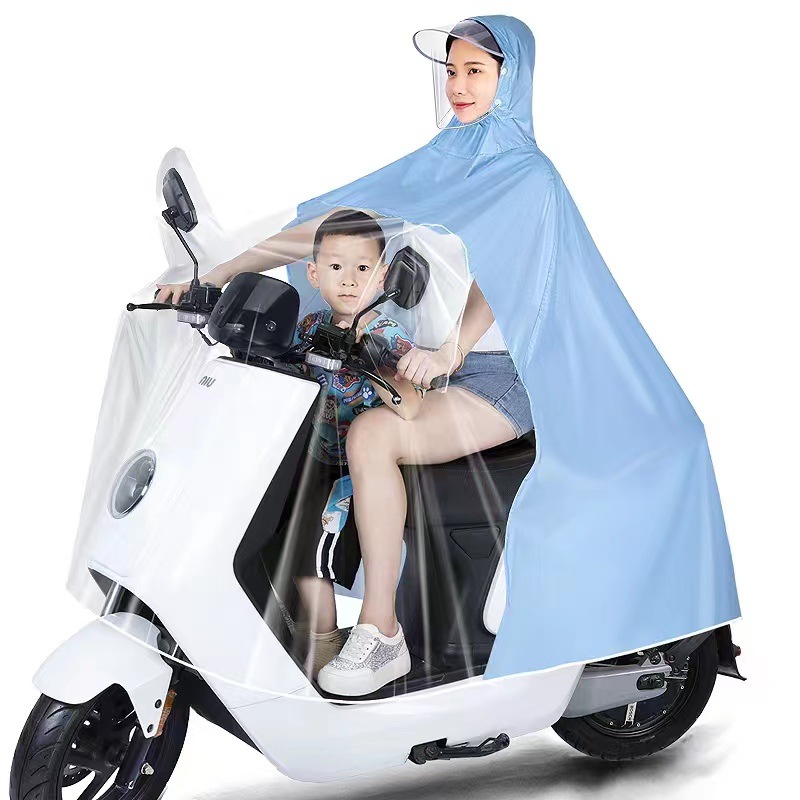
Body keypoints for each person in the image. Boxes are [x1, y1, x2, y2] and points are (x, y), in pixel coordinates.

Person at [155, 21, 534, 696]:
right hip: (421, 362)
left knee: (371, 434)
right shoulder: (441, 163)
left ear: (512, 80)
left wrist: (451, 348)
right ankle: (304, 624)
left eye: (476, 72)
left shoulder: (523, 176)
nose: (458, 85)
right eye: (452, 71)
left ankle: (381, 634)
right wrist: (216, 276)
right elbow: (324, 231)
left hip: (489, 373)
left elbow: (512, 270)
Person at [272, 209, 424, 690]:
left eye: (363, 268)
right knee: (272, 533)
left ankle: (324, 644)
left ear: (383, 276)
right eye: (336, 266)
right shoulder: (310, 325)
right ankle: (298, 633)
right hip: (310, 456)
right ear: (313, 273)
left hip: (352, 469)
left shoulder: (387, 334)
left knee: (311, 554)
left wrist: (372, 361)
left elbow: (410, 406)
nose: (350, 279)